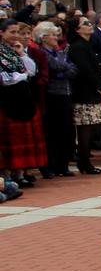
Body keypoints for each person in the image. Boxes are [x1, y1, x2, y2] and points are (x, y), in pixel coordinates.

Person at [0, 18, 42, 187]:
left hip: (22, 99)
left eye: (17, 32)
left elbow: (32, 70)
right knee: (7, 141)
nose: (16, 35)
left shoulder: (14, 51)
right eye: (12, 32)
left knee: (20, 138)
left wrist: (22, 54)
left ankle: (19, 172)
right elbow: (4, 78)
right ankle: (6, 174)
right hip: (5, 100)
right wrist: (22, 76)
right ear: (1, 33)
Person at [35, 21, 76, 178]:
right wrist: (63, 68)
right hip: (51, 95)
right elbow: (55, 66)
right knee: (51, 131)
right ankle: (49, 165)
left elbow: (73, 69)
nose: (56, 37)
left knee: (65, 130)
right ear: (43, 37)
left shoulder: (60, 52)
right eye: (53, 34)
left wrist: (62, 68)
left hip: (65, 93)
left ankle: (62, 165)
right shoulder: (42, 52)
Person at [66, 16, 101, 176]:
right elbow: (85, 70)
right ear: (77, 29)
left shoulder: (89, 45)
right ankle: (84, 161)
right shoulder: (78, 47)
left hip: (92, 92)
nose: (90, 25)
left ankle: (85, 160)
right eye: (86, 24)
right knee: (85, 128)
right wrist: (100, 88)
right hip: (84, 93)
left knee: (90, 126)